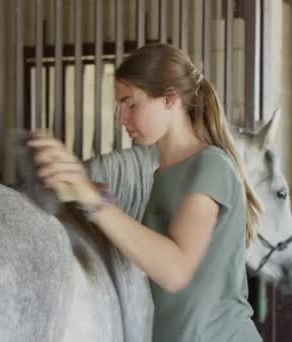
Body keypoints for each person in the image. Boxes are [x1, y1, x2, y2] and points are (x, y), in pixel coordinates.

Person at [28, 43, 263, 341]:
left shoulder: (211, 166)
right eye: (119, 106)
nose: (121, 118)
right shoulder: (164, 174)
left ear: (170, 99)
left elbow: (175, 270)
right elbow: (149, 256)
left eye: (131, 104)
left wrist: (94, 200)